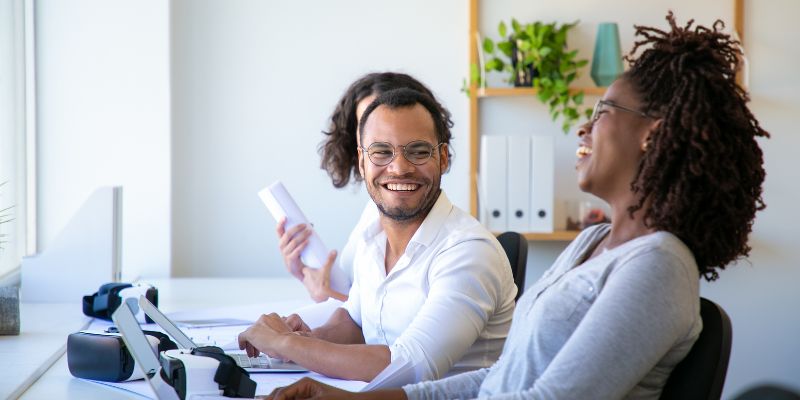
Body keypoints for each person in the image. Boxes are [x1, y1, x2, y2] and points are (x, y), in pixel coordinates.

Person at [263, 12, 768, 399]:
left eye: (602, 112)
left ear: (650, 136)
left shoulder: (659, 267)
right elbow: (501, 378)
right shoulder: (594, 241)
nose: (583, 129)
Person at [240, 87, 517, 382]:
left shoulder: (469, 250)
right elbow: (356, 321)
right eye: (382, 151)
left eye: (419, 151)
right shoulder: (372, 235)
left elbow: (411, 366)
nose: (399, 167)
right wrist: (309, 337)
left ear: (444, 158)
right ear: (362, 161)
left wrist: (288, 344)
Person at [278, 72, 454, 302]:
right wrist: (306, 272)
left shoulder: (448, 241)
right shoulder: (372, 217)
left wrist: (326, 298)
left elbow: (390, 324)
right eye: (369, 124)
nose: (398, 167)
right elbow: (362, 304)